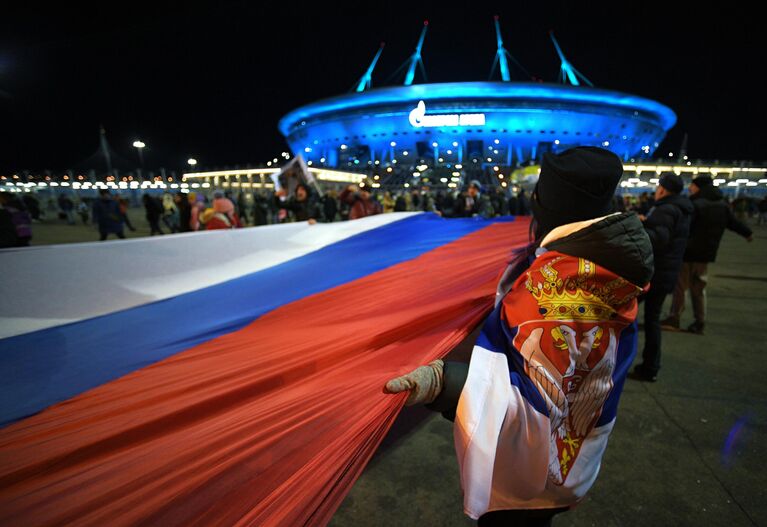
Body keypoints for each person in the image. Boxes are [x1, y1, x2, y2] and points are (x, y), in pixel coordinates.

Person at [385, 147, 653, 525]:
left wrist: (444, 383)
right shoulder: (605, 266)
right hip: (579, 454)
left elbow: (533, 414)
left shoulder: (548, 289)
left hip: (532, 477)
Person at [661, 175, 753, 334]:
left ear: (699, 187)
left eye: (693, 185)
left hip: (688, 253)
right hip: (705, 255)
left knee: (680, 287)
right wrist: (747, 233)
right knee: (699, 289)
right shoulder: (722, 206)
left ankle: (674, 318)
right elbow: (734, 224)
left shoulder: (695, 204)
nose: (690, 188)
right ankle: (699, 321)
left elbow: (683, 228)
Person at [630, 173, 692, 382]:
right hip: (668, 273)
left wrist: (642, 225)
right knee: (652, 320)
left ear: (663, 190)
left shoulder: (666, 209)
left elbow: (658, 239)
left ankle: (621, 361)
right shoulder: (682, 209)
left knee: (622, 314)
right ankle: (650, 367)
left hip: (654, 274)